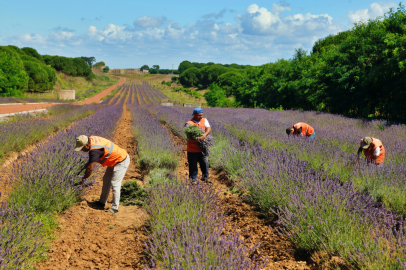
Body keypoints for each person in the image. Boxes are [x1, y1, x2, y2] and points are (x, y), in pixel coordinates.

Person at [75, 135, 130, 214]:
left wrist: (82, 181)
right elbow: (90, 163)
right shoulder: (91, 139)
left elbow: (90, 169)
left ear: (87, 145)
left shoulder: (94, 151)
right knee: (106, 180)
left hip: (121, 160)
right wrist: (86, 165)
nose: (81, 150)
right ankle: (101, 203)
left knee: (115, 183)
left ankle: (115, 209)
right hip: (113, 160)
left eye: (82, 148)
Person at [184, 108, 212, 184]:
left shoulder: (204, 120)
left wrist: (204, 135)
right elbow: (188, 137)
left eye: (201, 115)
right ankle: (193, 179)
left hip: (203, 149)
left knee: (205, 163)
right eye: (199, 115)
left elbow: (208, 128)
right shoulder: (188, 124)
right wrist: (197, 139)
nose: (201, 117)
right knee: (193, 165)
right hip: (192, 149)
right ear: (194, 115)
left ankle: (205, 177)